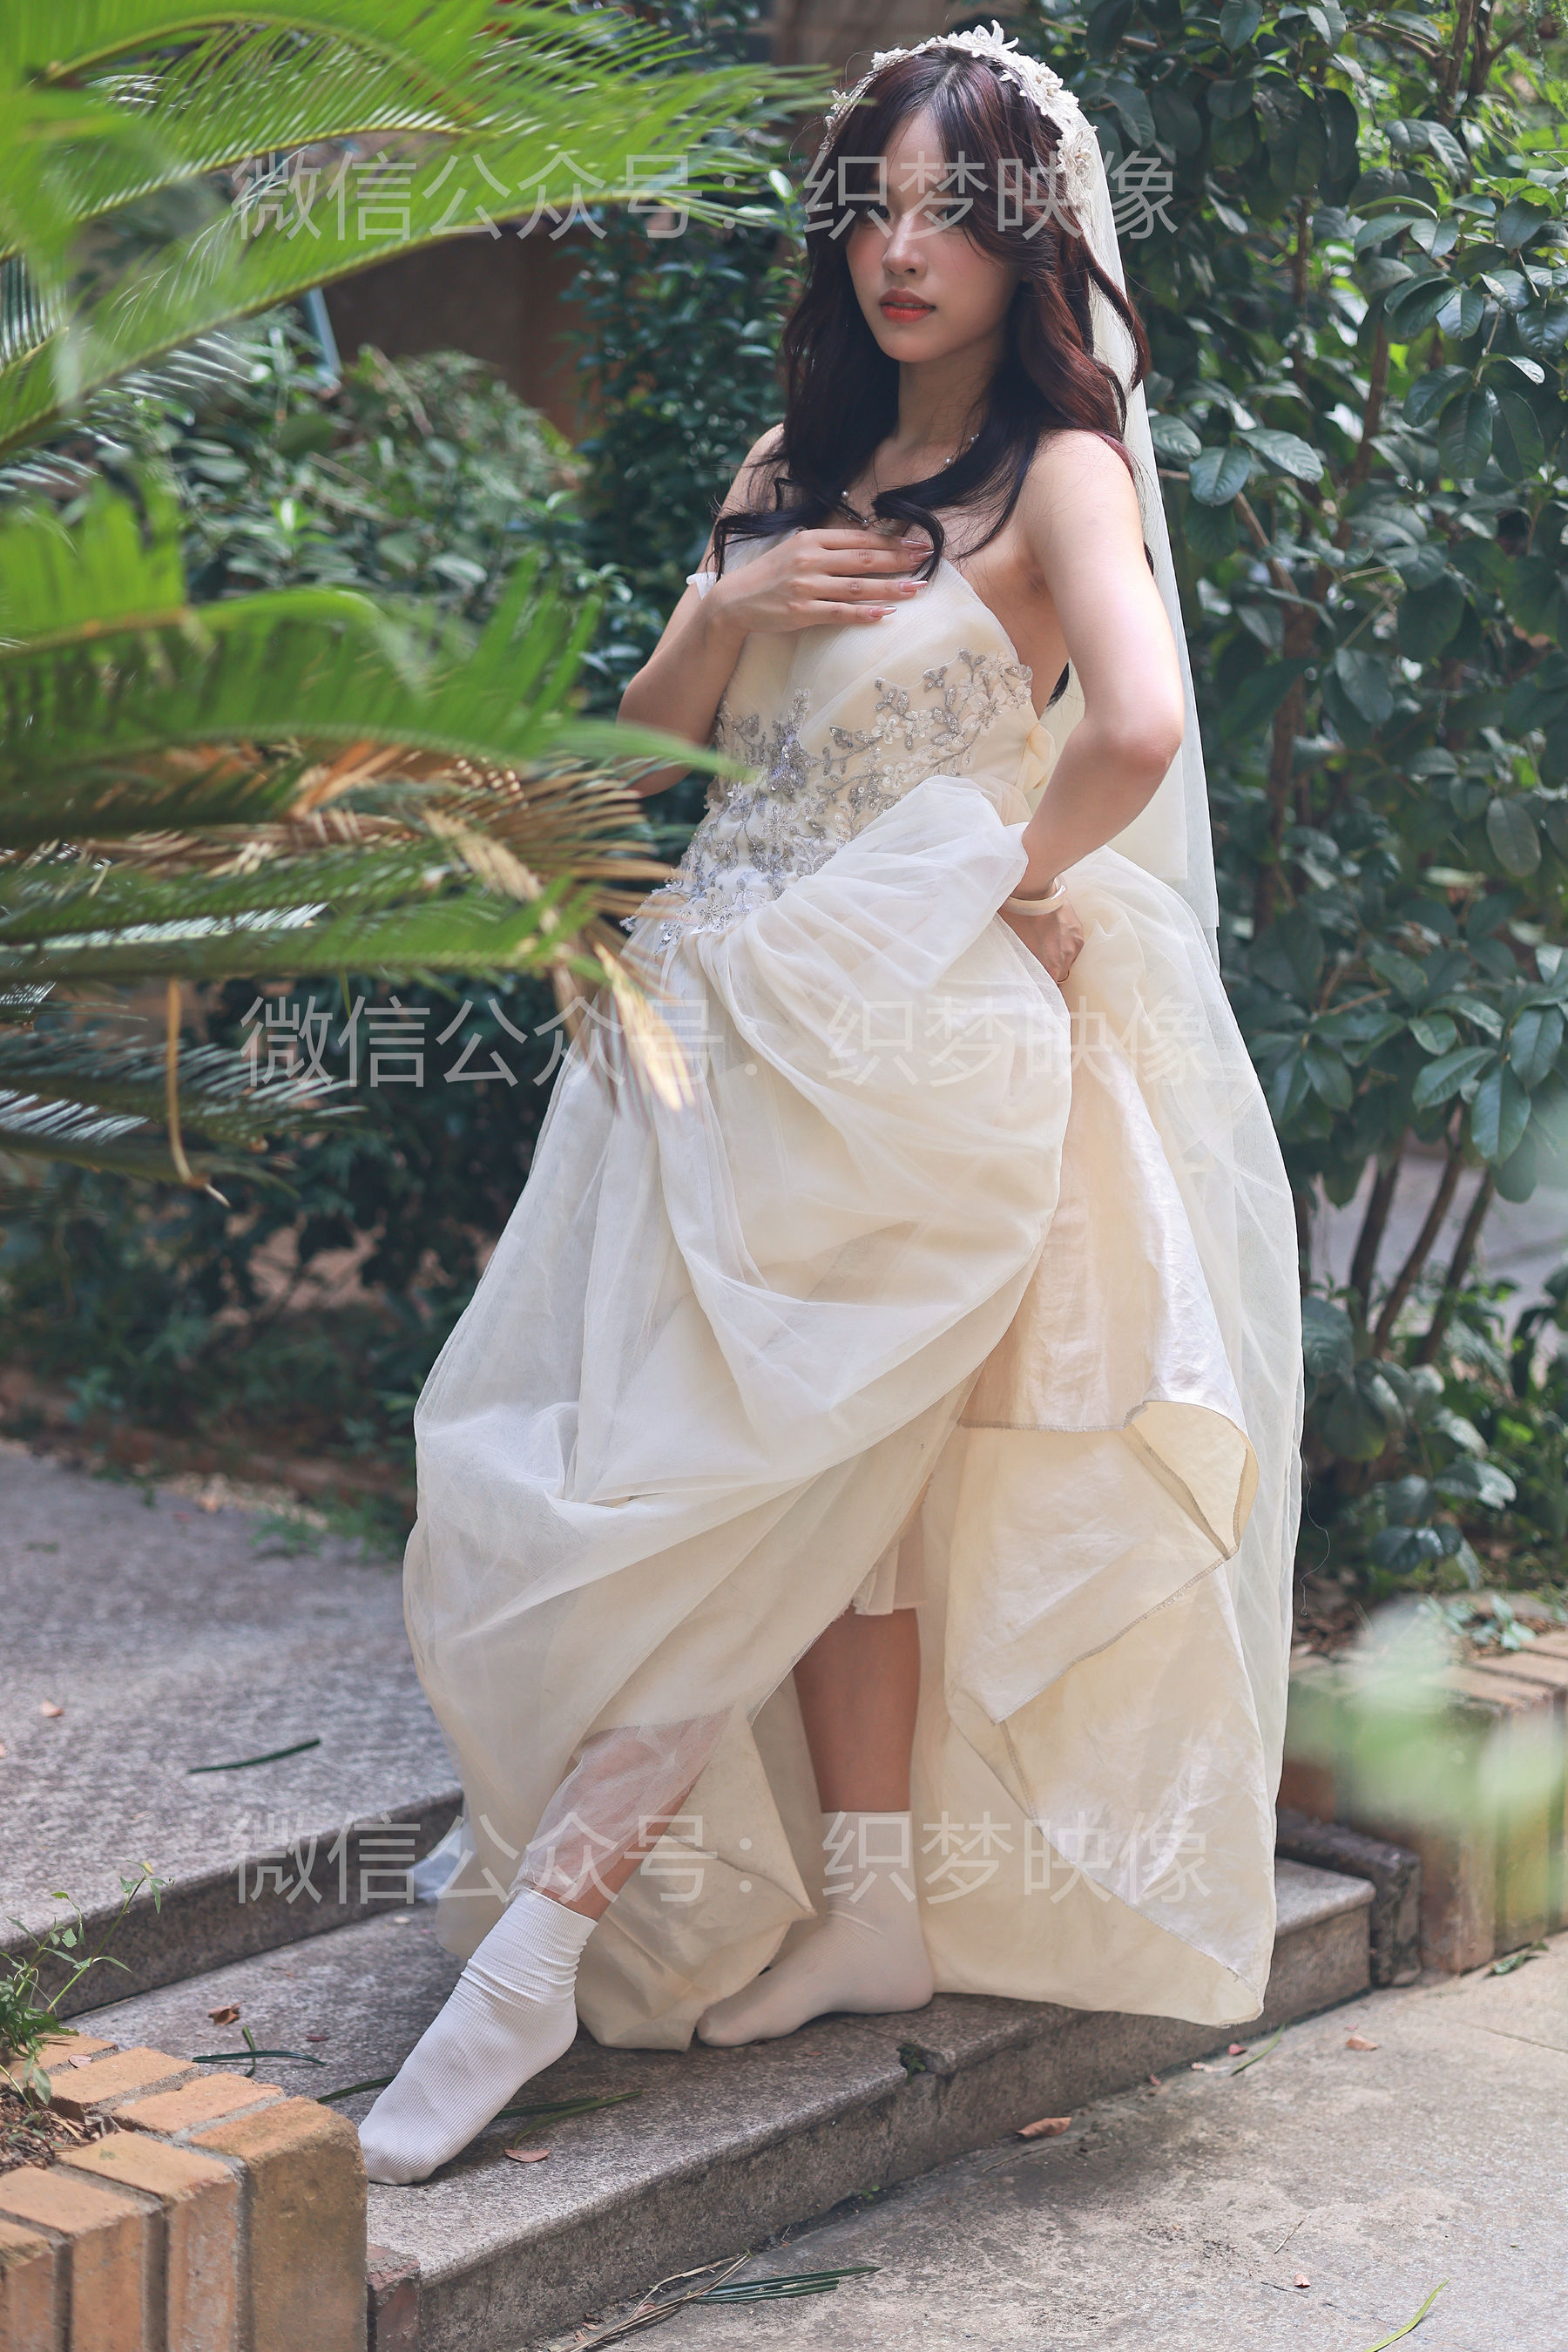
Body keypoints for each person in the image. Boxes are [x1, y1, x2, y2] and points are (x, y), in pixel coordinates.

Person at [358, 24, 1302, 2189]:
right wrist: (731, 594)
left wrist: (1000, 884)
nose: (901, 250)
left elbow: (1140, 728)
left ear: (1029, 243)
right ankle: (873, 1904)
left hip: (907, 1049)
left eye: (950, 216)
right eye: (873, 207)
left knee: (767, 1472)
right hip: (705, 1022)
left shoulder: (1062, 473)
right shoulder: (792, 466)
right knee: (773, 1474)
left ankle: (542, 1948)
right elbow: (656, 757)